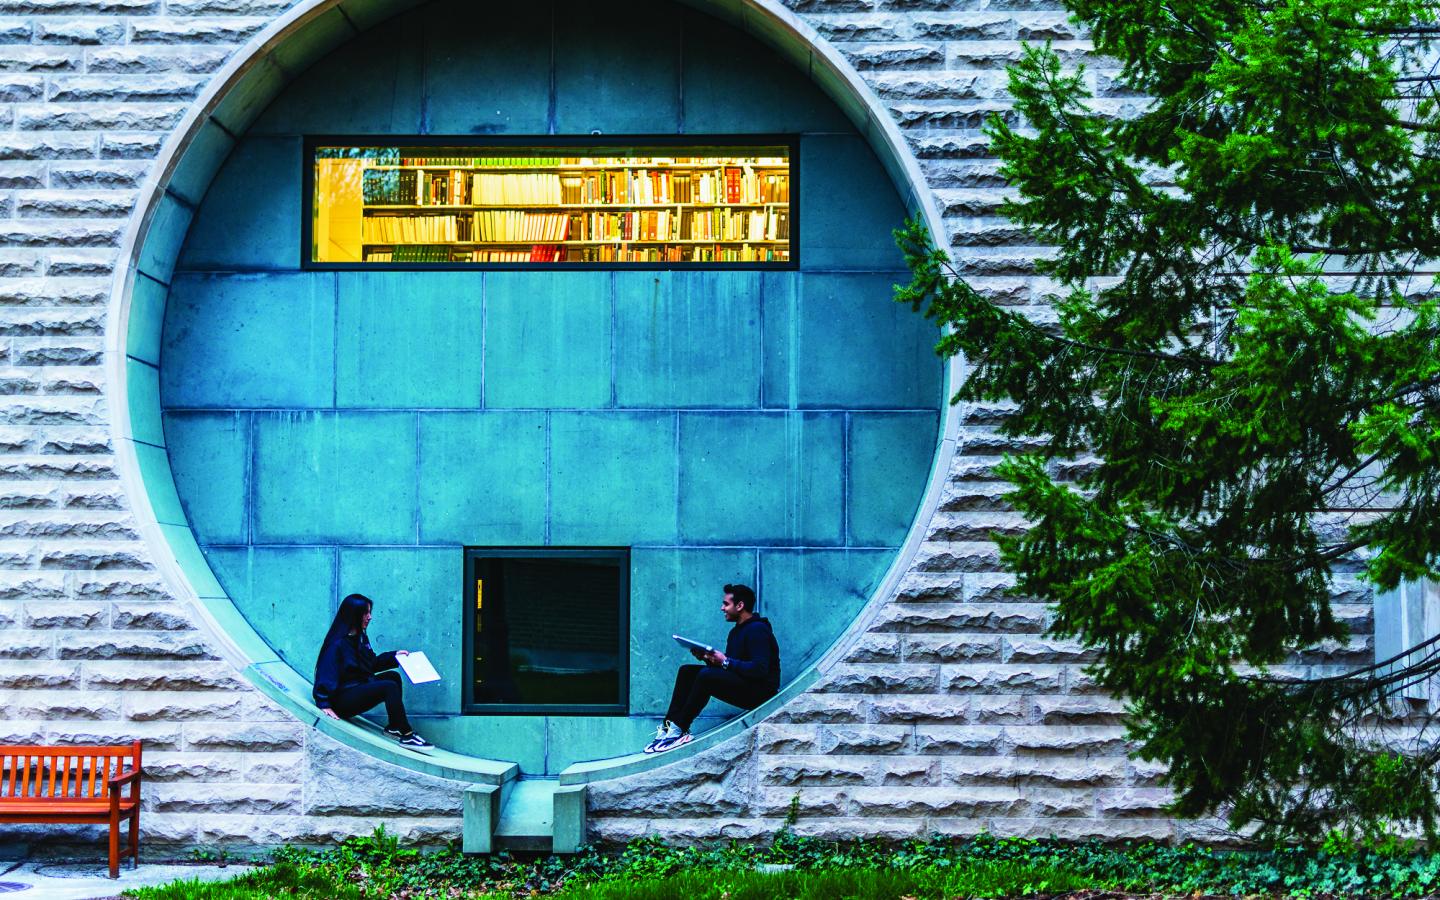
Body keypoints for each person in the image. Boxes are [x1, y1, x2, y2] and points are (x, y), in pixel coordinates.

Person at [645, 583, 781, 754]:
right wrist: (709, 659)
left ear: (740, 606)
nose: (722, 608)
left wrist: (724, 662)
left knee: (706, 676)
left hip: (762, 694)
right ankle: (668, 727)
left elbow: (759, 669)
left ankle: (681, 728)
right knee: (687, 671)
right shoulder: (736, 632)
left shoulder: (757, 630)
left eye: (726, 604)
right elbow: (731, 668)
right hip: (746, 684)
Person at [313, 593, 432, 748]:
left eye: (370, 612)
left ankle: (395, 727)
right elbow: (324, 673)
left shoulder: (360, 638)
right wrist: (323, 702)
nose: (370, 617)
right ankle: (407, 734)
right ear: (354, 614)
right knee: (388, 687)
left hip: (356, 687)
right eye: (365, 613)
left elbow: (372, 664)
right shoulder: (337, 644)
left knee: (393, 677)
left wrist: (395, 657)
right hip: (341, 701)